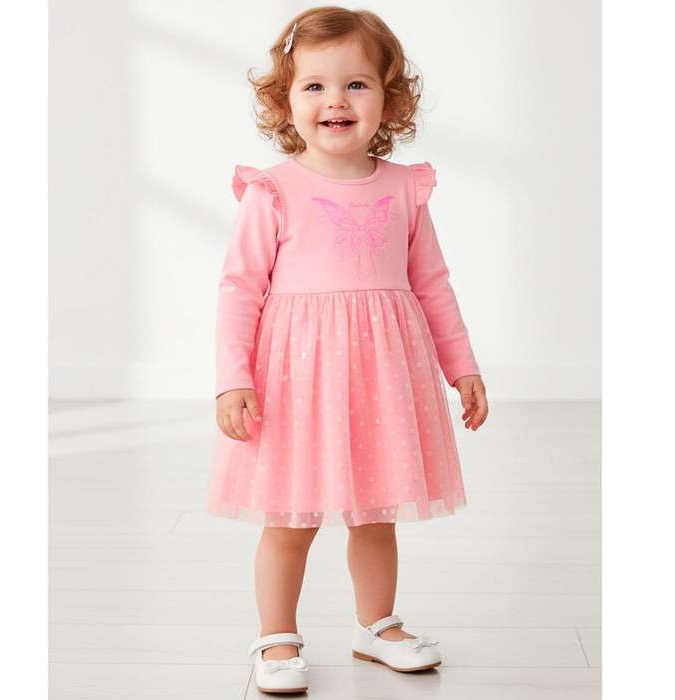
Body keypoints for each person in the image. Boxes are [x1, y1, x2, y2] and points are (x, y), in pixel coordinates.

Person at [206, 7, 489, 693]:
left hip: (383, 379)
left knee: (377, 513)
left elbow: (433, 284)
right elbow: (240, 288)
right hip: (297, 383)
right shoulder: (273, 191)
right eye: (314, 86)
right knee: (289, 519)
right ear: (285, 102)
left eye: (356, 84)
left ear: (389, 100)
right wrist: (232, 377)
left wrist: (463, 367)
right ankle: (277, 635)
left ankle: (376, 626)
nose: (335, 100)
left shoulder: (404, 189)